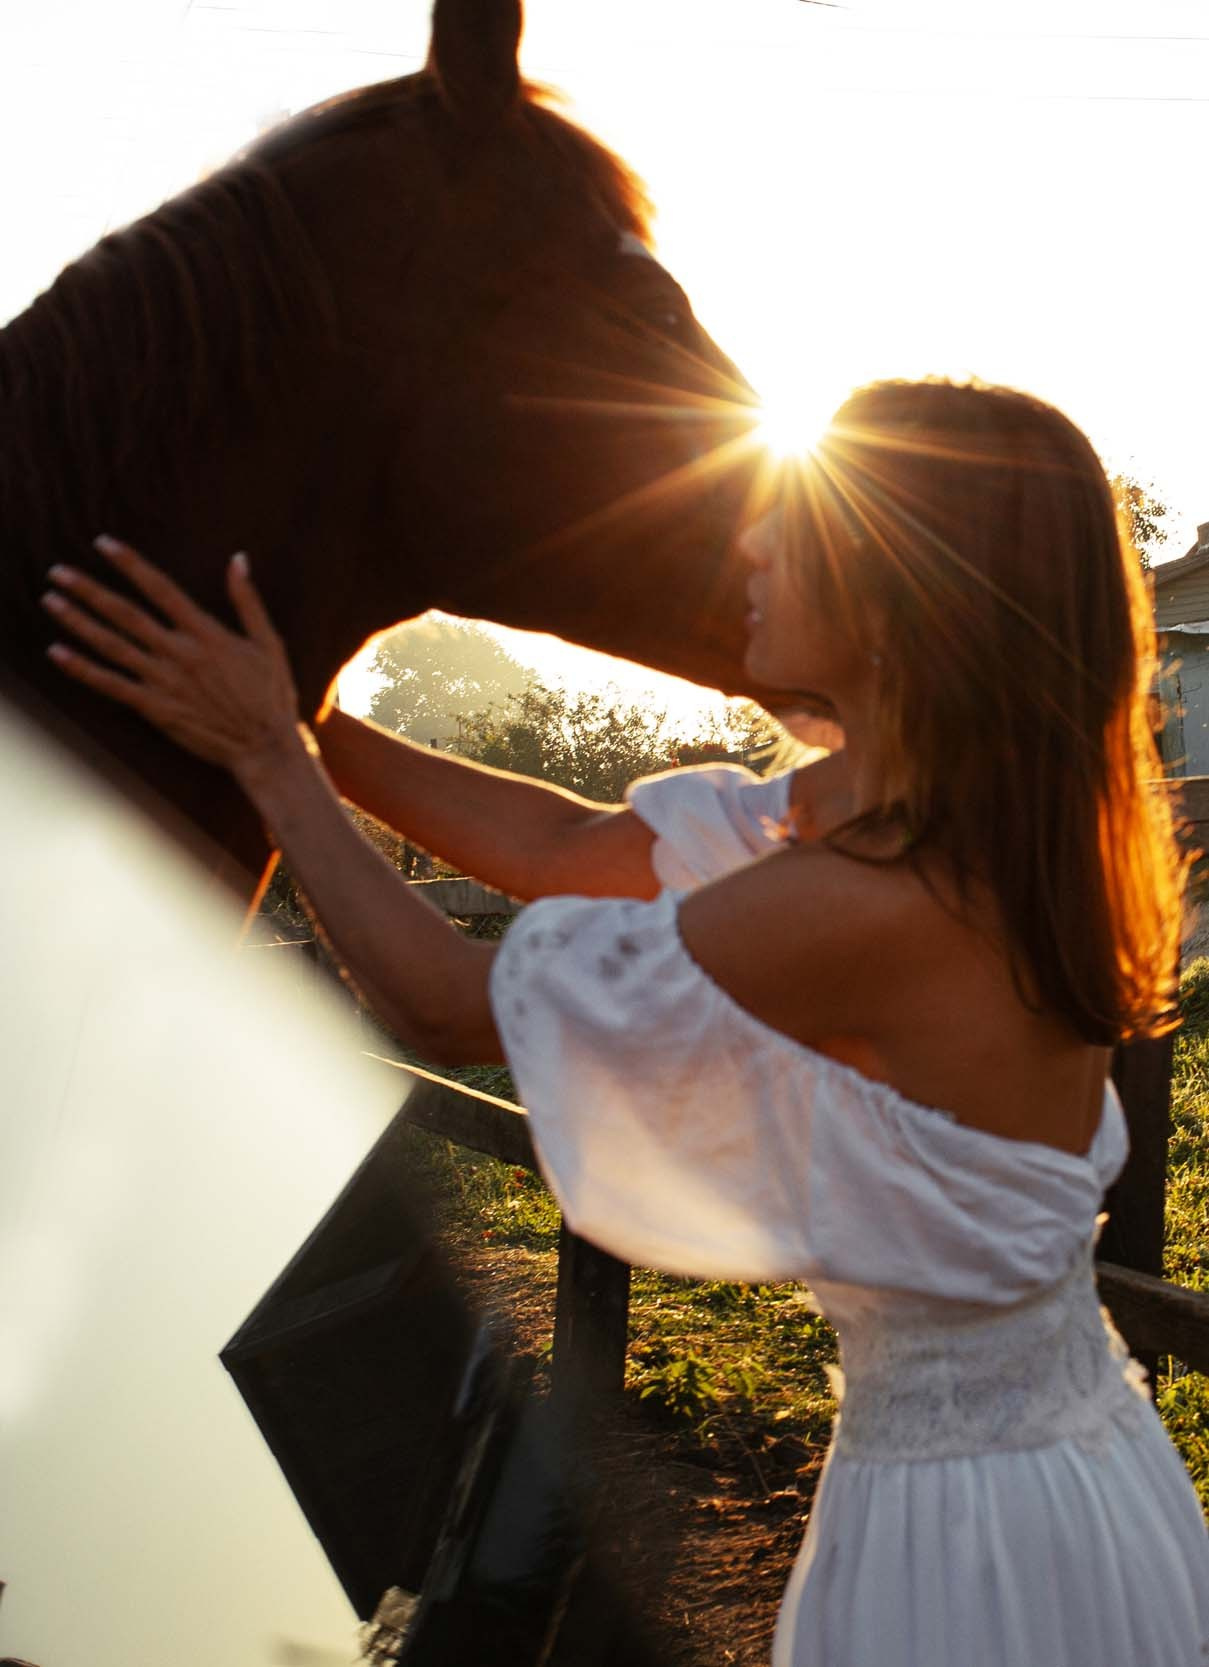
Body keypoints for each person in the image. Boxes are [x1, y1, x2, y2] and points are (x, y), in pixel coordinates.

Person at [42, 378, 1209, 1665]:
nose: (751, 546)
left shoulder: (874, 898)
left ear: (894, 596)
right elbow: (554, 840)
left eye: (792, 526)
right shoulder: (927, 835)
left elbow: (440, 994)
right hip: (1064, 1459)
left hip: (971, 1535)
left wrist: (267, 759)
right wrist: (308, 709)